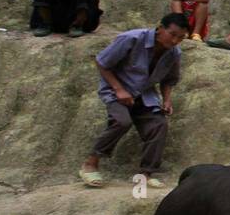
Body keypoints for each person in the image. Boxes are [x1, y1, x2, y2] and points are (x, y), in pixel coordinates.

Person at [78, 13, 188, 189]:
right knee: (122, 121)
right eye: (172, 34)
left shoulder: (174, 53)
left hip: (144, 95)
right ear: (160, 29)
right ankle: (91, 163)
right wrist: (119, 89)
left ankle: (145, 173)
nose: (175, 40)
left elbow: (169, 79)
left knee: (158, 125)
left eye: (181, 37)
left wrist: (167, 100)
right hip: (116, 91)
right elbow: (102, 62)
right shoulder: (132, 39)